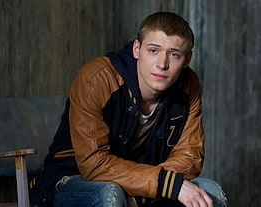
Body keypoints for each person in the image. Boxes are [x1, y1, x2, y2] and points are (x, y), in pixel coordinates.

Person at [30, 12, 227, 207]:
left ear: (186, 60)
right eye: (153, 50)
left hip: (144, 183)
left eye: (174, 54)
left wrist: (147, 193)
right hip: (72, 180)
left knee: (211, 192)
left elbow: (189, 156)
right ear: (136, 49)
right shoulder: (97, 79)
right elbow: (94, 164)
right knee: (110, 195)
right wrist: (167, 186)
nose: (162, 64)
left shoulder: (188, 85)